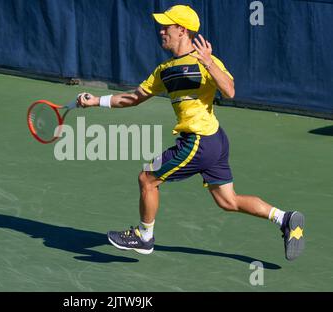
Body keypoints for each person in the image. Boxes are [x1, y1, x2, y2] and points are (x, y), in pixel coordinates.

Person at [78, 5, 305, 261]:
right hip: (215, 140)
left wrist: (209, 63)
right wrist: (95, 101)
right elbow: (133, 97)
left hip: (199, 141)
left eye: (167, 27)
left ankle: (144, 236)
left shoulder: (204, 61)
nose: (161, 31)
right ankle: (285, 219)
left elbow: (229, 91)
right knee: (227, 201)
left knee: (147, 178)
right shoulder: (164, 70)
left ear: (182, 30)